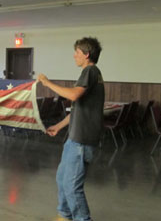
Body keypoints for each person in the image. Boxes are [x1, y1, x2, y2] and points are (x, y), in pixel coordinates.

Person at [37, 37, 104, 221]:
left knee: (72, 186)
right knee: (62, 179)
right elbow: (77, 109)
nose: (74, 55)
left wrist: (47, 83)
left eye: (77, 52)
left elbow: (73, 96)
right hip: (74, 139)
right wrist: (58, 126)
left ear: (86, 54)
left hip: (81, 141)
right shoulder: (90, 74)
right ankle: (64, 215)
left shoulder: (90, 71)